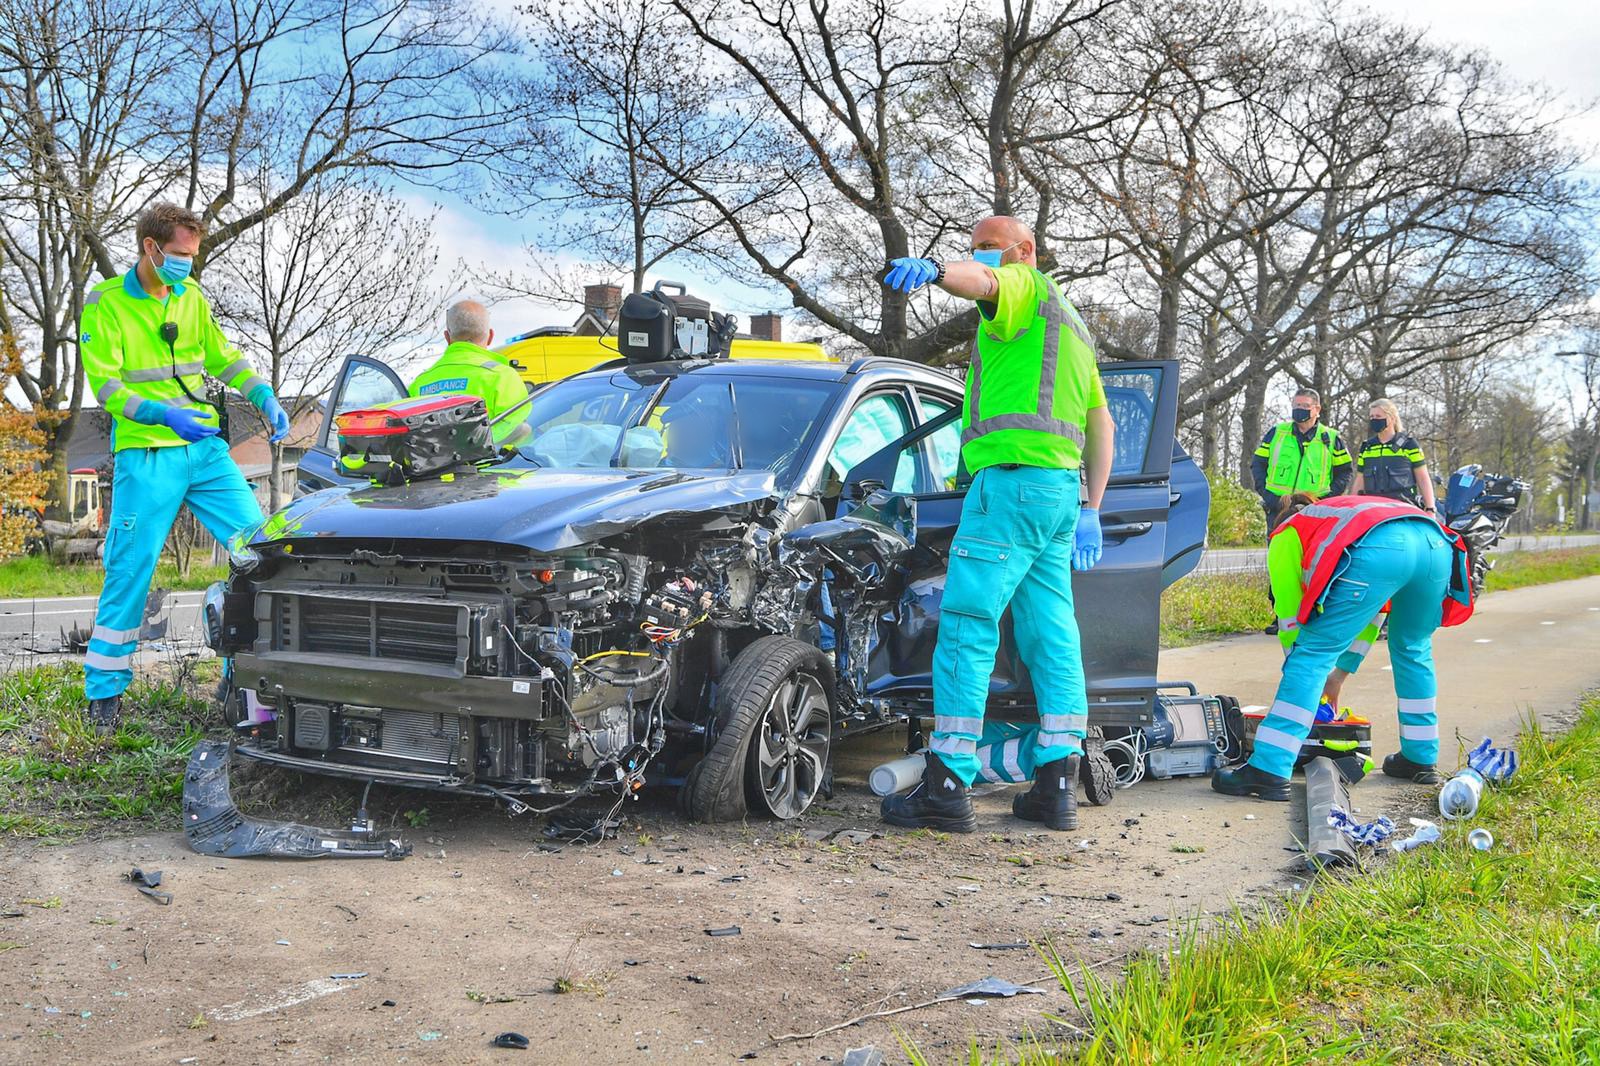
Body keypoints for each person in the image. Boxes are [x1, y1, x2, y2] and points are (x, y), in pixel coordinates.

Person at [874, 215, 1115, 833]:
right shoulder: (1075, 328)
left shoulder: (1027, 288)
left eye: (990, 247)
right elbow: (1101, 426)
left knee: (966, 625)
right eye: (974, 247)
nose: (980, 256)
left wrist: (934, 270)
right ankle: (1057, 780)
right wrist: (1092, 507)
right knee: (1051, 633)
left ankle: (948, 781)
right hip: (1060, 494)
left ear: (1025, 250)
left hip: (1008, 488)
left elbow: (982, 282)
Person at [79, 203, 290, 732]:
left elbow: (221, 357)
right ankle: (104, 695)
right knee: (131, 570)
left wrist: (262, 394)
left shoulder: (190, 297)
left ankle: (238, 679)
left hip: (206, 451)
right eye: (179, 255)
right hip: (148, 453)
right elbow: (106, 388)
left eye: (193, 256)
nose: (188, 266)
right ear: (151, 248)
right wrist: (164, 414)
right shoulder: (105, 305)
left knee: (257, 551)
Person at [1212, 492, 1474, 799]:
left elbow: (1290, 619)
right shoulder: (1339, 516)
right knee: (1413, 647)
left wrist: (1311, 673)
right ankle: (1419, 757)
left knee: (1310, 655)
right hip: (1435, 543)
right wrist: (1338, 677)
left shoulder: (1287, 533)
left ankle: (1269, 768)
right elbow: (1376, 613)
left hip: (1384, 544)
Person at [1252, 387, 1351, 634]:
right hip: (1279, 509)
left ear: (1317, 409)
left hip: (1315, 512)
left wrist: (1324, 501)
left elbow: (1344, 473)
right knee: (1281, 563)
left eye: (1305, 406)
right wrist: (1270, 497)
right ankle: (1281, 616)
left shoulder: (1331, 437)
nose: (1299, 410)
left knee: (1315, 563)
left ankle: (1313, 614)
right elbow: (1257, 465)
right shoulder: (1277, 433)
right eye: (1296, 405)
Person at [410, 300, 530, 446]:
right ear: (490, 336)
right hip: (490, 468)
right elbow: (520, 435)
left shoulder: (419, 384)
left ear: (447, 337)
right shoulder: (503, 377)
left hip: (432, 468)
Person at [1353, 397, 1435, 510]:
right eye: (1371, 417)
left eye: (1378, 416)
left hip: (1403, 508)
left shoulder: (1408, 445)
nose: (1374, 420)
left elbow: (1423, 478)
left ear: (1391, 418)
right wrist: (1352, 506)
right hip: (1373, 509)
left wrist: (1430, 508)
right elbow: (1359, 480)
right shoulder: (1367, 447)